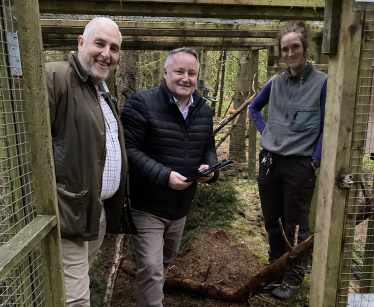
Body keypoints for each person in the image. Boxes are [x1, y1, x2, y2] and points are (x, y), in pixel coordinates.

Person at [121, 47, 219, 307]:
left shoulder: (204, 111)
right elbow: (128, 150)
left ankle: (151, 299)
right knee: (151, 268)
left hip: (181, 207)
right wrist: (165, 176)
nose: (185, 78)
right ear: (165, 73)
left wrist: (210, 171)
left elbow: (208, 147)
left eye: (192, 73)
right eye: (179, 72)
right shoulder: (141, 103)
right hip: (147, 206)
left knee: (163, 262)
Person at [45, 17, 128, 306]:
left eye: (114, 48)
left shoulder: (103, 93)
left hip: (96, 213)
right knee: (76, 299)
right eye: (100, 44)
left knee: (72, 286)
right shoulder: (56, 77)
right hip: (68, 212)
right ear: (81, 43)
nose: (107, 53)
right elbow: (33, 146)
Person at [248, 22, 328, 300]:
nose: (290, 53)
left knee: (295, 223)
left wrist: (314, 160)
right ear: (280, 53)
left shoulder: (322, 83)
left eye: (295, 47)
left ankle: (293, 276)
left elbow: (328, 124)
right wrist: (266, 131)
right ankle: (274, 272)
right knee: (272, 219)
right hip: (270, 161)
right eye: (285, 49)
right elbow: (254, 108)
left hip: (299, 164)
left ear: (306, 48)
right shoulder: (276, 82)